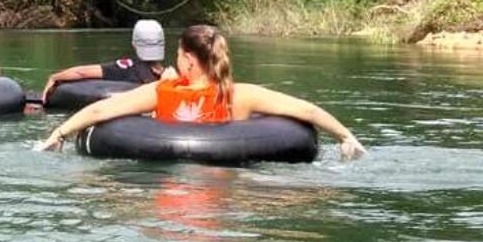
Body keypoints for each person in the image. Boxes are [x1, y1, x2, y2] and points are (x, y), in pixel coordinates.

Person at [36, 23, 364, 158]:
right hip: (226, 182)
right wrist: (346, 137)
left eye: (179, 54)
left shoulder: (161, 91)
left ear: (189, 60)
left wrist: (59, 134)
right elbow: (307, 110)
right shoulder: (239, 95)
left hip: (161, 178)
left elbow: (100, 110)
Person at [42, 18, 167, 103]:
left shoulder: (126, 67)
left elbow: (82, 73)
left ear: (134, 44)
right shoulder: (167, 75)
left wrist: (55, 77)